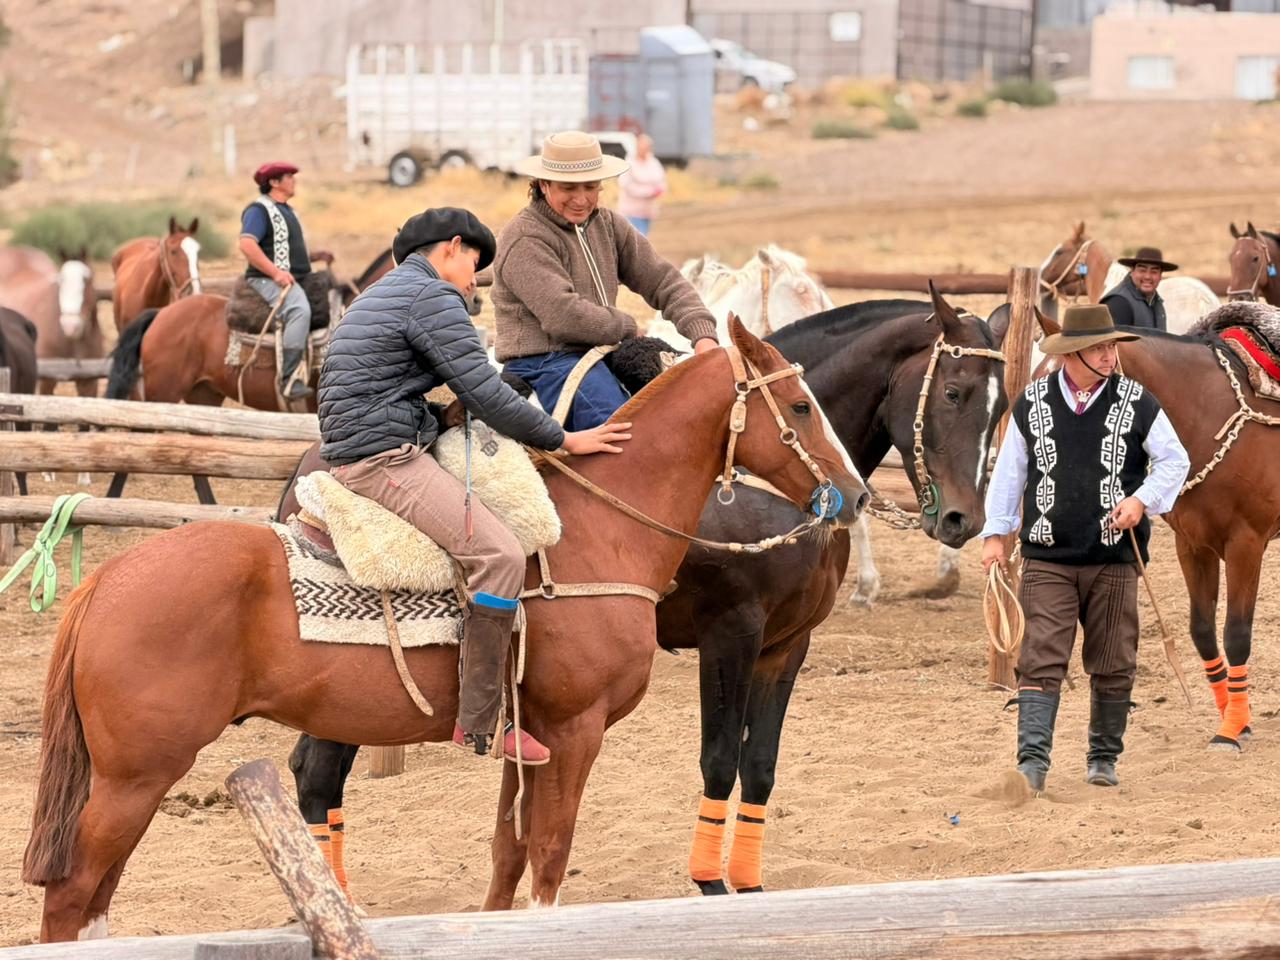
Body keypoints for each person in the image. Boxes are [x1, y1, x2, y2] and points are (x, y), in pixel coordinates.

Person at [317, 207, 633, 765]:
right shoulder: (433, 295)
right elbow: (486, 393)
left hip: (366, 441)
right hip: (381, 458)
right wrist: (563, 439)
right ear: (453, 246)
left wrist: (437, 419)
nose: (473, 281)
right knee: (501, 555)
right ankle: (481, 721)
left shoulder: (379, 294)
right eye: (473, 266)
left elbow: (383, 389)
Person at [980, 304, 1189, 792]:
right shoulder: (1032, 403)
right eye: (1099, 348)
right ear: (1071, 354)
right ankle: (1032, 764)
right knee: (1040, 656)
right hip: (1046, 556)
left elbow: (1174, 461)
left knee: (1114, 658)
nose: (1109, 356)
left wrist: (1140, 501)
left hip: (1114, 558)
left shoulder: (1137, 401)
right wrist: (994, 535)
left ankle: (1103, 757)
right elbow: (1010, 474)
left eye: (1112, 346)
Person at [493, 130, 719, 430]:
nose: (581, 199)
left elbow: (663, 280)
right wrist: (627, 327)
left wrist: (704, 337)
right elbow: (563, 315)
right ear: (544, 185)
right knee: (625, 432)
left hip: (602, 351)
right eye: (568, 188)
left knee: (692, 410)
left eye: (590, 187)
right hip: (544, 361)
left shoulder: (609, 224)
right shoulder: (525, 237)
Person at [239, 162, 335, 400]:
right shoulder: (259, 210)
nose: (294, 180)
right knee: (299, 309)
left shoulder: (288, 211)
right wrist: (275, 273)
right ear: (273, 182)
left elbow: (285, 250)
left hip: (297, 277)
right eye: (289, 177)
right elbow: (247, 244)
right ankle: (289, 379)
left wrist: (315, 256)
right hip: (266, 280)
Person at [1100, 246, 1178, 331]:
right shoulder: (1118, 302)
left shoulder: (1155, 300)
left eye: (1154, 272)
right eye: (1142, 270)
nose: (1147, 276)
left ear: (1160, 276)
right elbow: (1113, 339)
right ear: (1132, 271)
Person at [617, 133, 666, 236]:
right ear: (637, 147)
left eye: (647, 147)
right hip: (631, 211)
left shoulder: (653, 162)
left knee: (643, 238)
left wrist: (660, 190)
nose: (644, 150)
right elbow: (626, 185)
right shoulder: (629, 163)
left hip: (647, 211)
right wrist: (649, 192)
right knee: (636, 239)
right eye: (642, 147)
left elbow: (662, 181)